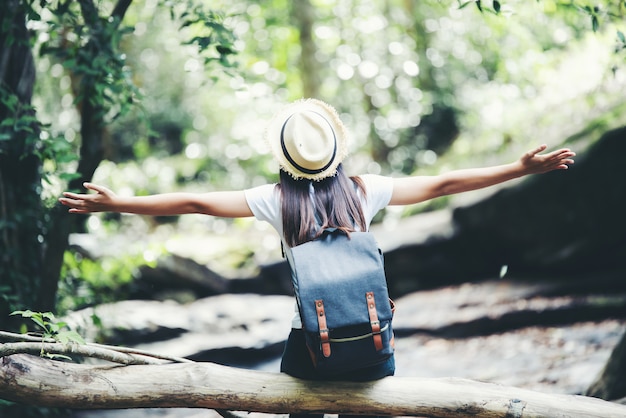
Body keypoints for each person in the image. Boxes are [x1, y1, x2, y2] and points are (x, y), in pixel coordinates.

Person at [59, 98, 575, 417]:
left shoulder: (274, 202)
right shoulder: (364, 190)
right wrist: (519, 168)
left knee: (297, 408)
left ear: (284, 157)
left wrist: (119, 202)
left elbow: (195, 203)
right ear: (334, 151)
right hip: (374, 341)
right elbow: (443, 184)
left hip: (312, 346)